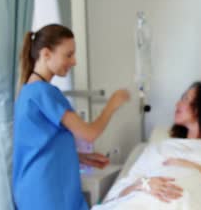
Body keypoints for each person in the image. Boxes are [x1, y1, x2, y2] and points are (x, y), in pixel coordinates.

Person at [12, 24, 130, 210]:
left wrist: (82, 157)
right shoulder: (44, 92)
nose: (74, 61)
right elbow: (89, 134)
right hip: (47, 193)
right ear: (46, 54)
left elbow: (41, 147)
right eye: (68, 54)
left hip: (33, 190)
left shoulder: (27, 92)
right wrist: (112, 104)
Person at [94, 81, 201, 210]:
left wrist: (194, 167)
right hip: (142, 201)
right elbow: (115, 195)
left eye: (186, 99)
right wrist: (143, 184)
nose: (177, 104)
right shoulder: (160, 147)